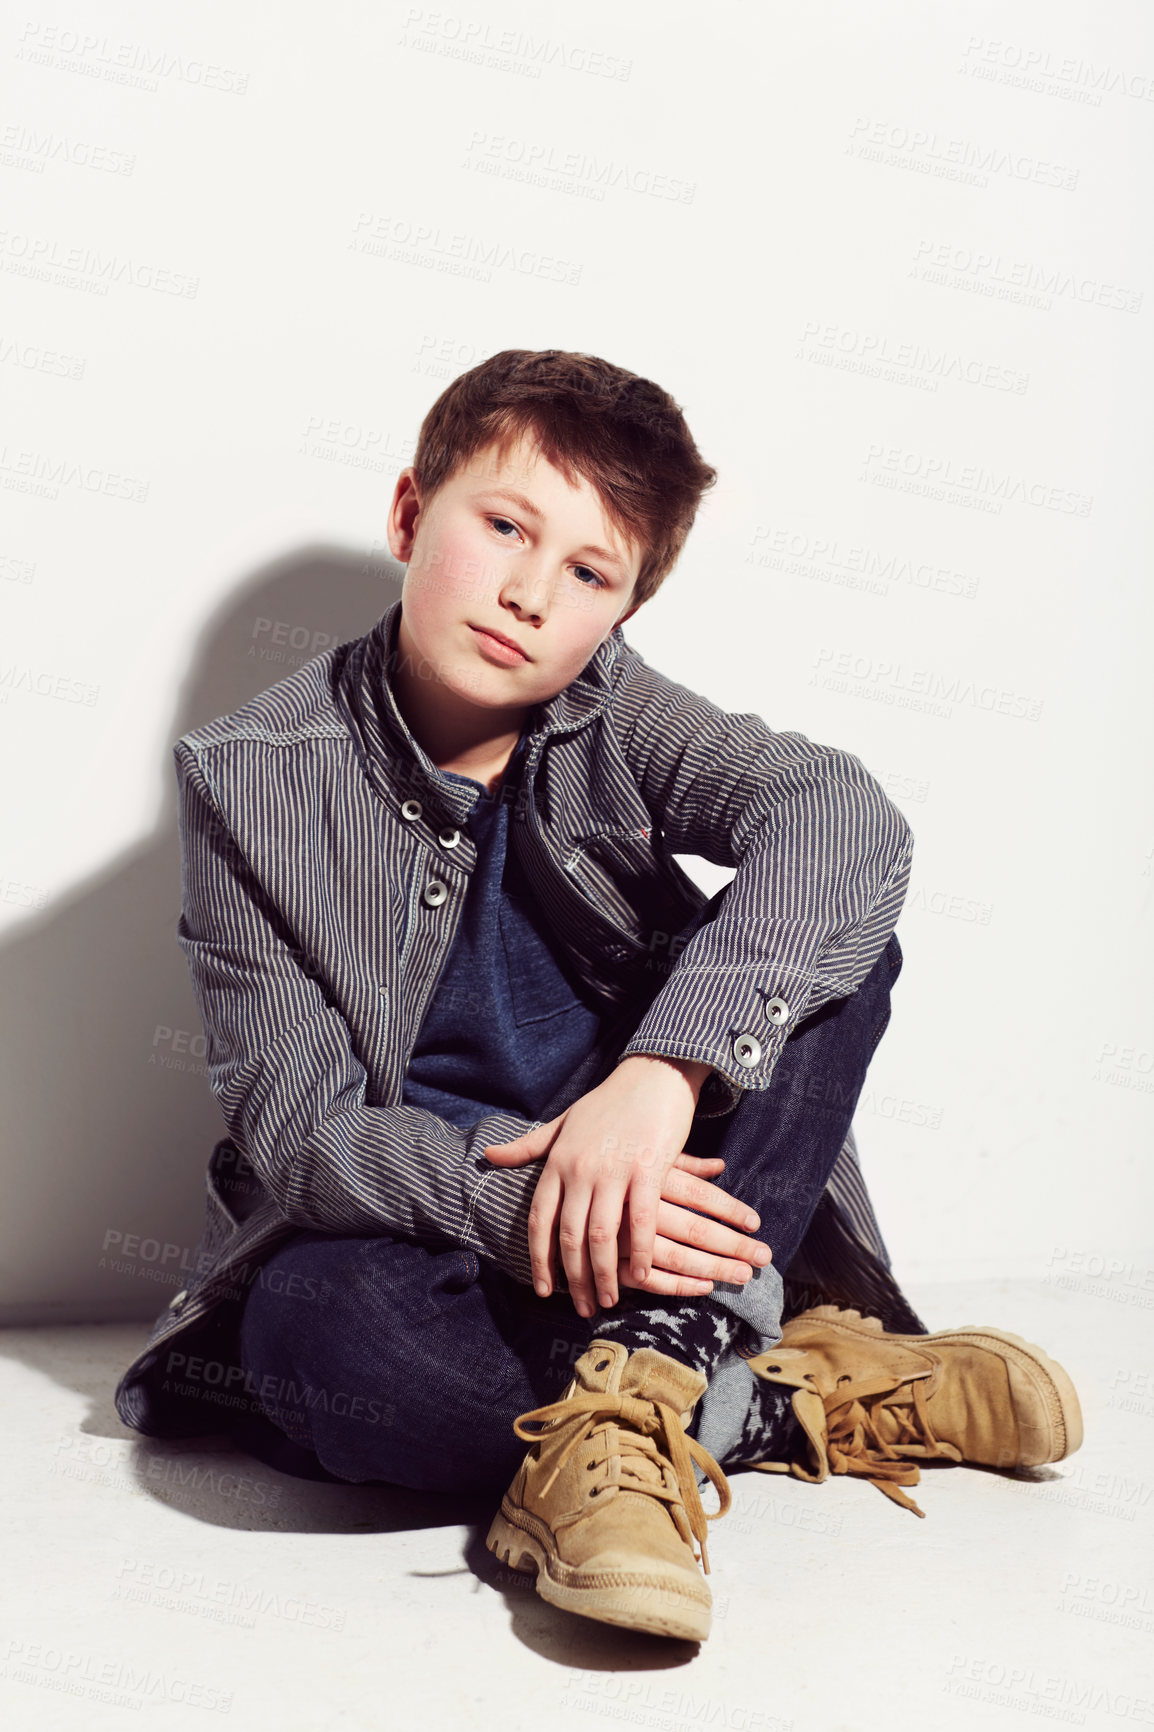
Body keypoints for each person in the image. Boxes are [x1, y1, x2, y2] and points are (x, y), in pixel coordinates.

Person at [115, 349, 1082, 1644]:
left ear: (618, 616)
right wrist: (521, 1203)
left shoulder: (609, 709)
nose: (526, 592)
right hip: (446, 1243)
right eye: (504, 526)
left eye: (587, 571)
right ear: (412, 513)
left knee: (841, 948)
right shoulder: (250, 784)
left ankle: (639, 1391)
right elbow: (299, 1137)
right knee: (317, 1349)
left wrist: (658, 1078)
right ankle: (778, 1403)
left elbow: (843, 816)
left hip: (668, 1194)